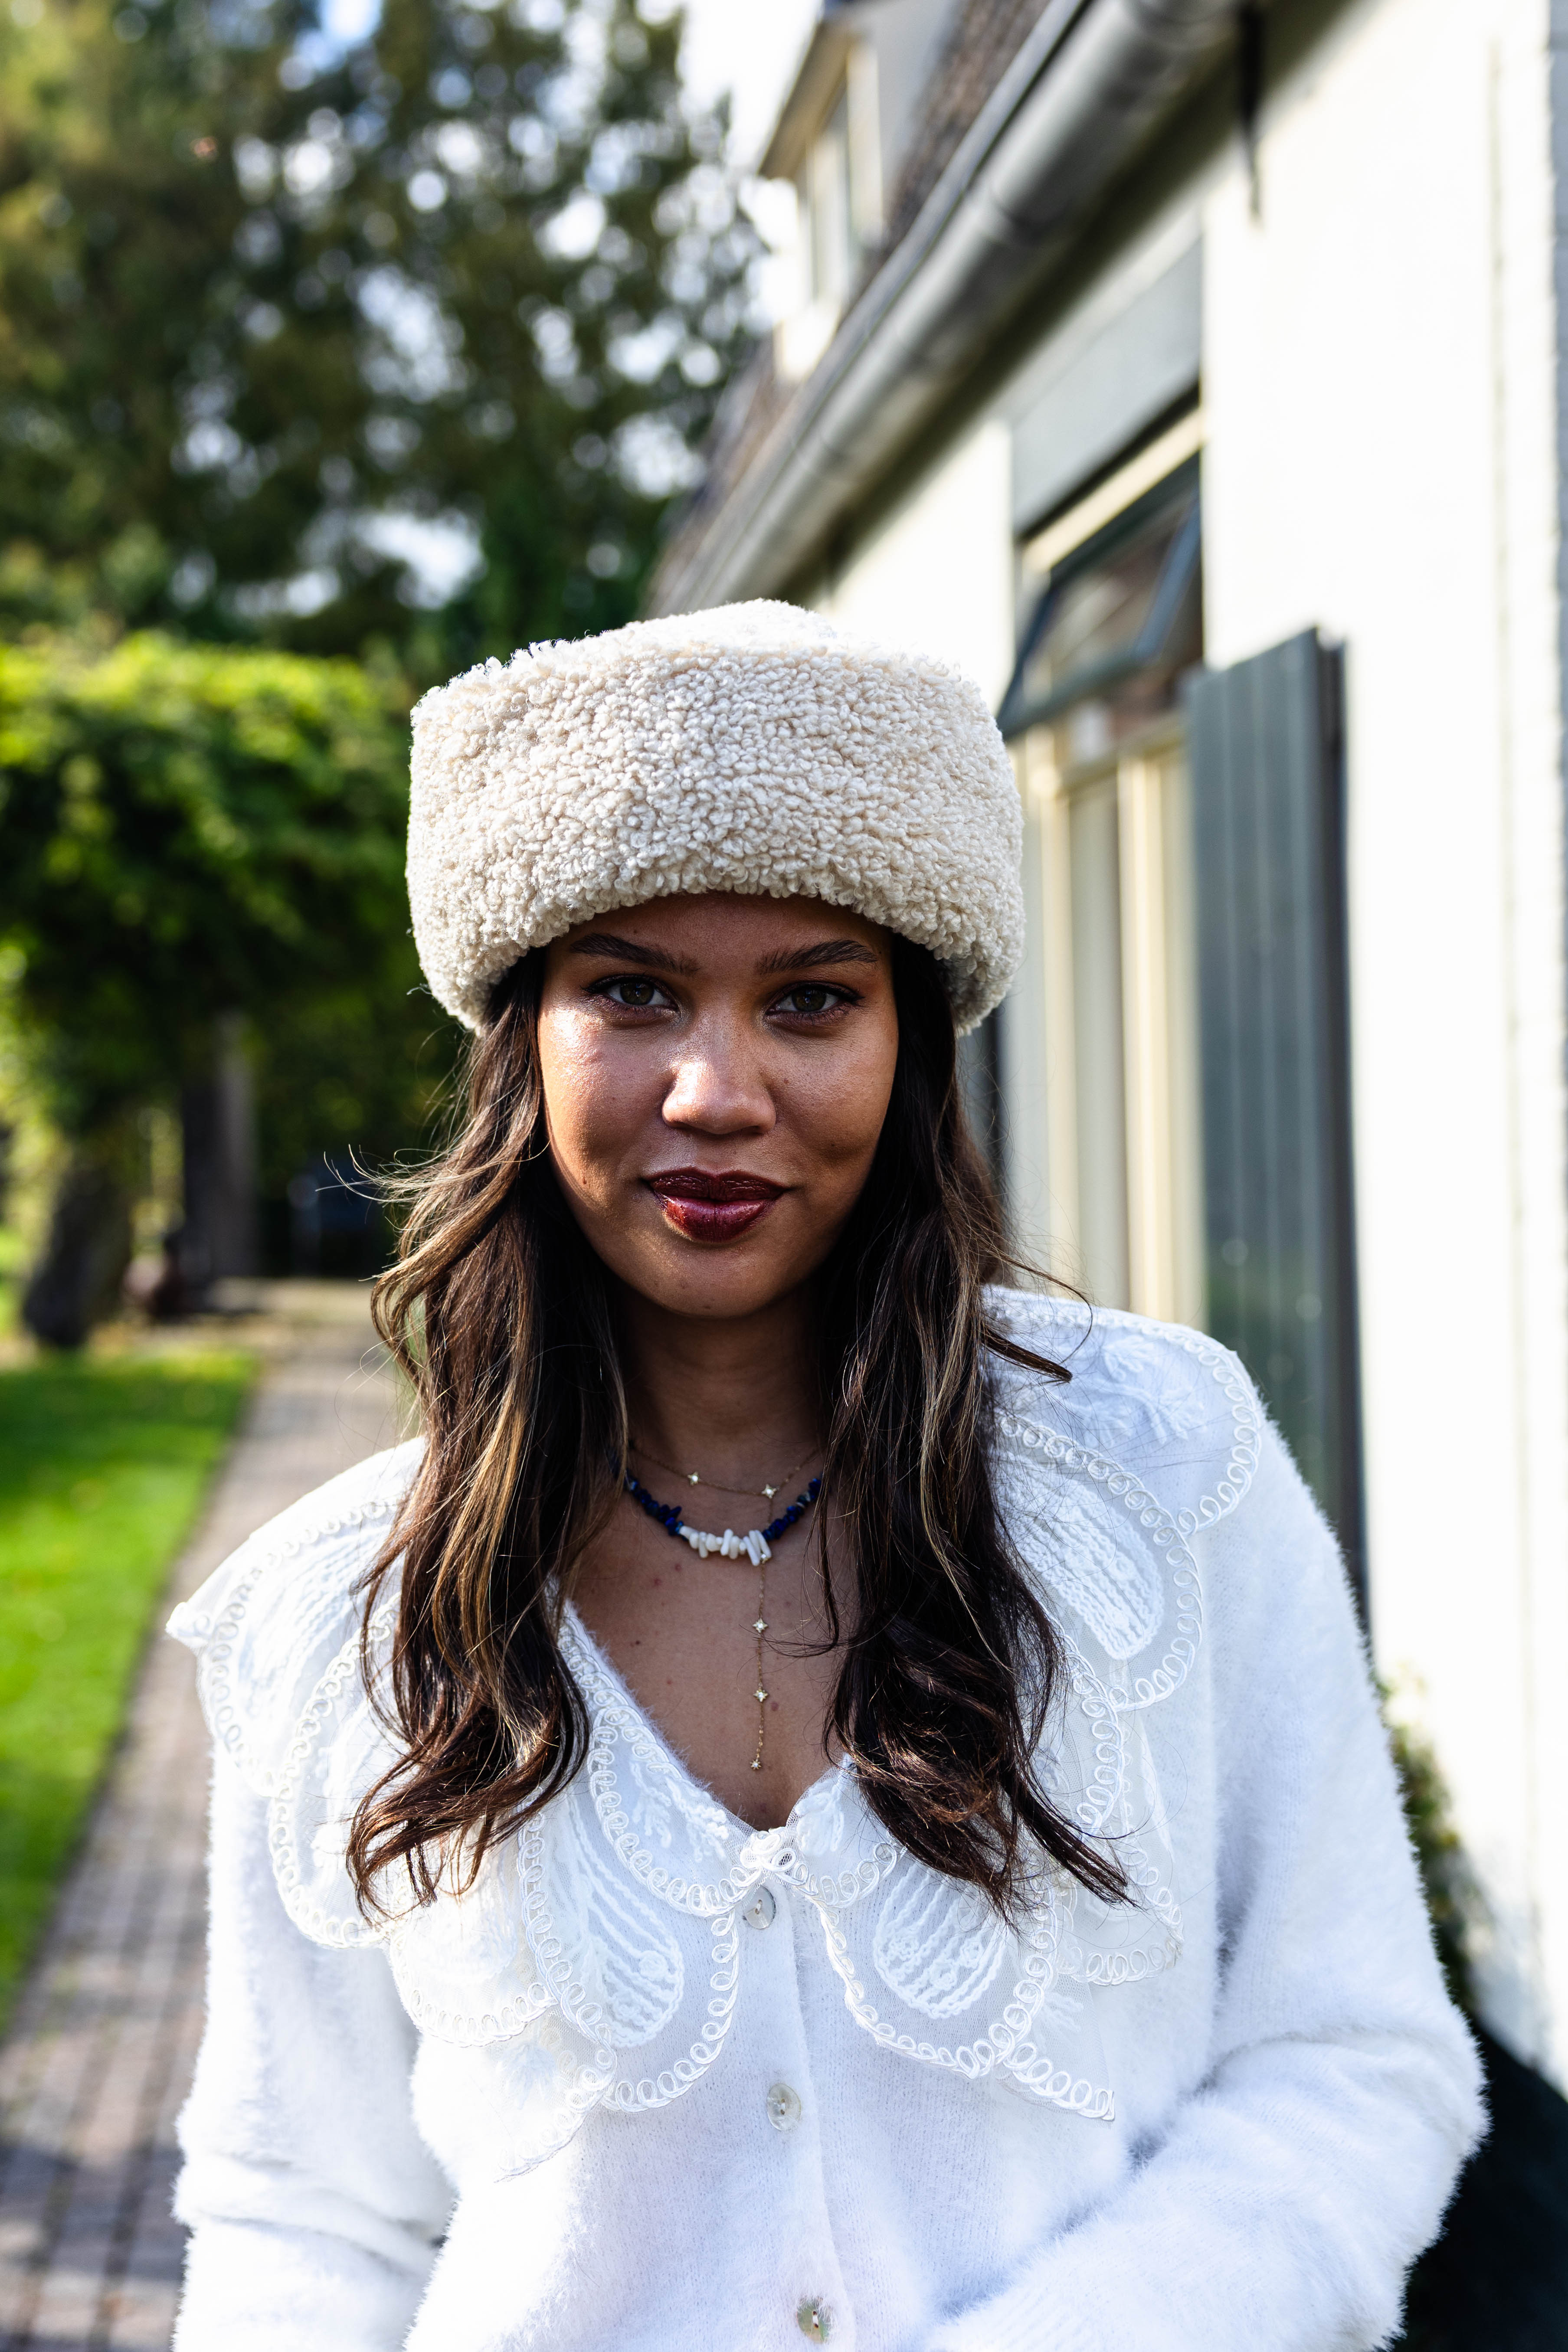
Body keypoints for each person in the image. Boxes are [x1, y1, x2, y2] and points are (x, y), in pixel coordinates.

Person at [168, 602, 1480, 2352]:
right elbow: (302, 2222)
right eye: (631, 991)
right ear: (522, 1037)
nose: (717, 1091)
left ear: (911, 1043)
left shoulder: (1166, 1465)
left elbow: (1354, 2056)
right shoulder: (332, 1616)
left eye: (810, 1000)